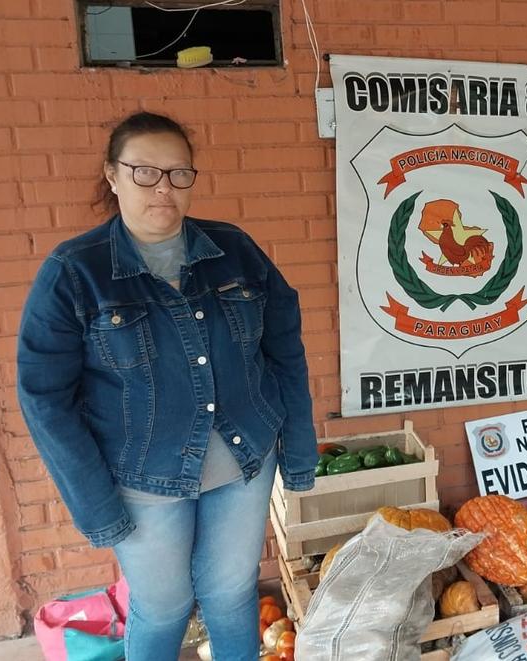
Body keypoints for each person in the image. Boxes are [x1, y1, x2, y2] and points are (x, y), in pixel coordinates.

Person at [17, 111, 319, 659]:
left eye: (180, 174)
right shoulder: (74, 272)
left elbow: (284, 351)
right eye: (145, 172)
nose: (165, 188)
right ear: (112, 176)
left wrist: (298, 450)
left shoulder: (235, 251)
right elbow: (45, 400)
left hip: (243, 465)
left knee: (230, 596)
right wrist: (95, 504)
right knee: (163, 607)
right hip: (142, 481)